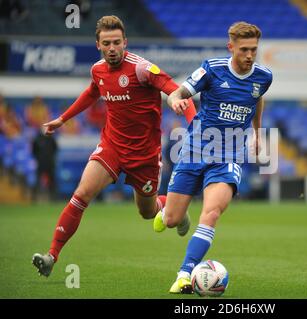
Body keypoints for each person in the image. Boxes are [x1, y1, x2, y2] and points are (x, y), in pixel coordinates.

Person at [31, 15, 196, 277]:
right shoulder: (97, 70)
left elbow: (178, 91)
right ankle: (51, 255)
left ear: (125, 42)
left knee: (146, 212)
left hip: (144, 155)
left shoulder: (142, 69)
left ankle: (172, 206)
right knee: (81, 194)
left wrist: (193, 123)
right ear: (98, 44)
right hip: (112, 147)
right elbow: (91, 93)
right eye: (106, 43)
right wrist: (63, 119)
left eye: (116, 42)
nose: (112, 48)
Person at [152, 21, 273, 294]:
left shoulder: (264, 76)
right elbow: (181, 91)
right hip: (195, 149)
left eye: (254, 49)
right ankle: (169, 211)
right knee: (171, 220)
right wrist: (175, 101)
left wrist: (257, 132)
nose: (250, 55)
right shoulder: (212, 69)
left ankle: (185, 273)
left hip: (229, 155)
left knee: (212, 212)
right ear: (231, 47)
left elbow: (258, 98)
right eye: (244, 50)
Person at [32, 128, 58, 201]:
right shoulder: (37, 139)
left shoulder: (51, 139)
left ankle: (53, 198)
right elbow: (34, 151)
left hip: (50, 163)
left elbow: (55, 149)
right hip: (40, 163)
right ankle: (35, 198)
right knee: (37, 180)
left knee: (52, 181)